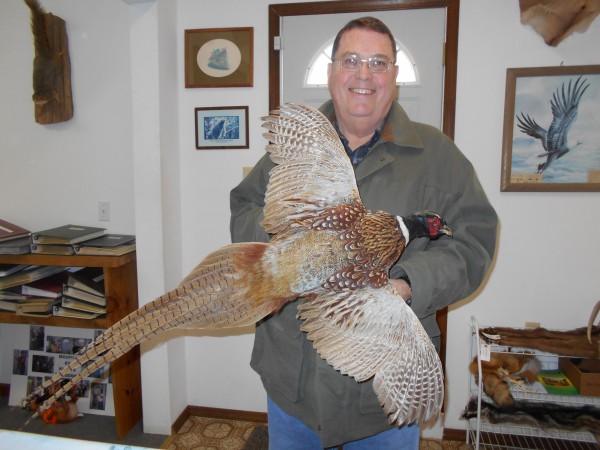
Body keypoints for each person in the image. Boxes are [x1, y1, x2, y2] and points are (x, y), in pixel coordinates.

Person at [230, 16, 498, 449]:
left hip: (380, 398)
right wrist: (286, 256)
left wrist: (408, 284)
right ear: (332, 71)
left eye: (379, 62)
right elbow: (244, 207)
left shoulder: (438, 156)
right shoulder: (299, 149)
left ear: (394, 77)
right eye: (351, 60)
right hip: (291, 387)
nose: (364, 74)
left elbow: (474, 242)